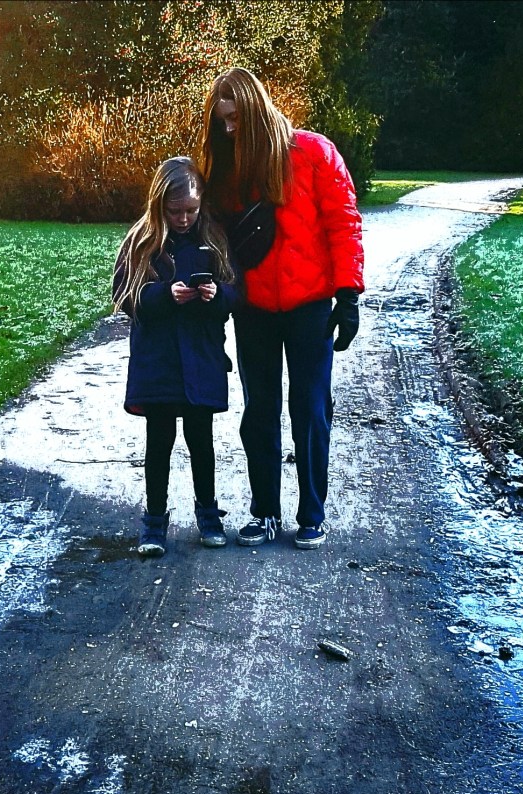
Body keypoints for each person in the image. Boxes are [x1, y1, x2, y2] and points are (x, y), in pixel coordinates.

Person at [200, 67, 365, 549]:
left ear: (254, 111)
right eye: (221, 121)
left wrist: (348, 294)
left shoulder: (314, 153)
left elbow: (343, 224)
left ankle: (312, 513)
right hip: (253, 309)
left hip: (310, 305)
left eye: (234, 120)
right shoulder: (228, 171)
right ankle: (265, 512)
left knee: (311, 410)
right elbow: (210, 237)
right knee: (260, 410)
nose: (228, 130)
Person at [113, 156, 240, 557]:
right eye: (174, 211)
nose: (183, 218)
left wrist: (217, 296)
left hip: (201, 357)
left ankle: (208, 514)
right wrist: (163, 294)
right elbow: (124, 295)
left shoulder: (214, 239)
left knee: (201, 440)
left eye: (190, 210)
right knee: (159, 442)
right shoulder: (141, 241)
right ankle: (154, 520)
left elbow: (234, 292)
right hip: (159, 361)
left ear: (201, 204)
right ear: (159, 205)